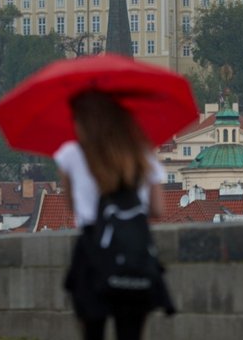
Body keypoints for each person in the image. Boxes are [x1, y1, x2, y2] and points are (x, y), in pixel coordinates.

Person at [55, 89, 174, 340]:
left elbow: (71, 206)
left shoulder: (72, 154)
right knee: (130, 333)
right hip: (134, 250)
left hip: (91, 249)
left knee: (92, 332)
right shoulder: (142, 154)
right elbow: (158, 210)